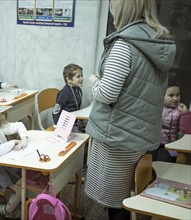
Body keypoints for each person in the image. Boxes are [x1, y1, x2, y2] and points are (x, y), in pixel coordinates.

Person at [84, 0, 176, 219]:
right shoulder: (157, 42)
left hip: (117, 138)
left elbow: (107, 94)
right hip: (141, 136)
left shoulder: (125, 44)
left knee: (116, 202)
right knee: (128, 195)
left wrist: (93, 80)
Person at [151, 81, 189, 162]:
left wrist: (185, 114)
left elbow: (186, 129)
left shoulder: (180, 110)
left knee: (163, 161)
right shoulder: (156, 107)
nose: (175, 98)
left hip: (171, 146)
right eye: (171, 95)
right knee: (150, 161)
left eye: (177, 95)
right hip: (154, 143)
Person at [52, 63, 86, 132]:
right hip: (66, 125)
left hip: (76, 122)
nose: (82, 79)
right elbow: (55, 112)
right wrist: (59, 127)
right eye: (78, 76)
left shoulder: (78, 89)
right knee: (83, 136)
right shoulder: (64, 93)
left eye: (82, 76)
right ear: (69, 79)